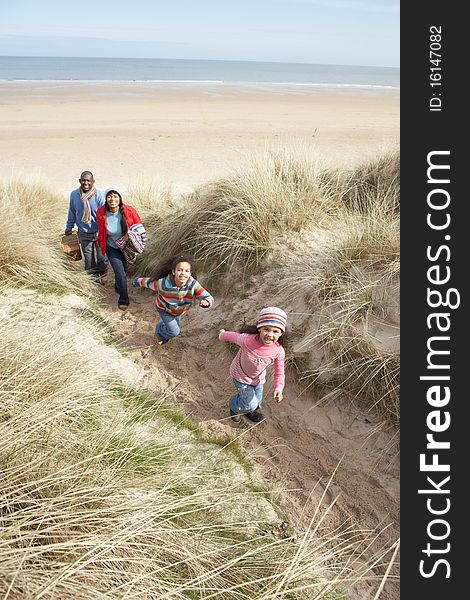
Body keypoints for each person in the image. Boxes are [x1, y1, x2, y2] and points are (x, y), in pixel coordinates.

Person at [219, 307, 287, 423]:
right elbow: (233, 336)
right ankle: (234, 407)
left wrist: (278, 388)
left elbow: (279, 371)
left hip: (258, 379)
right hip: (241, 376)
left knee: (257, 403)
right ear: (259, 329)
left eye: (275, 331)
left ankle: (249, 409)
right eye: (266, 329)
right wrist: (222, 335)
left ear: (281, 333)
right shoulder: (247, 340)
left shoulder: (278, 351)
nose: (270, 335)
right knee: (250, 403)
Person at [133, 254, 214, 344]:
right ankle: (160, 334)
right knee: (175, 331)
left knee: (173, 328)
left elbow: (208, 296)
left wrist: (207, 302)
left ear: (190, 273)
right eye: (180, 270)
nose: (183, 273)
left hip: (179, 310)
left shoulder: (193, 284)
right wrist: (137, 281)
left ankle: (165, 329)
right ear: (173, 272)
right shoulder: (164, 283)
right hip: (164, 309)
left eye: (186, 271)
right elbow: (149, 282)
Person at [96, 187, 143, 311]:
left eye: (115, 196)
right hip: (111, 247)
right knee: (120, 273)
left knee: (123, 270)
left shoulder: (129, 210)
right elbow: (101, 230)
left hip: (126, 247)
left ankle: (118, 287)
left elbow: (139, 226)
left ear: (120, 198)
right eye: (109, 196)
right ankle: (124, 299)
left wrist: (132, 235)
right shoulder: (101, 212)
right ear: (106, 199)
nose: (112, 199)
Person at [64, 170, 108, 280]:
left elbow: (105, 214)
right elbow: (72, 212)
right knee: (89, 260)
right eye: (83, 180)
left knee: (102, 258)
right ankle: (93, 280)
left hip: (99, 232)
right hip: (83, 233)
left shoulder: (99, 195)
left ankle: (103, 275)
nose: (86, 183)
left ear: (93, 181)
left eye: (88, 180)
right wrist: (69, 227)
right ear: (80, 181)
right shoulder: (74, 195)